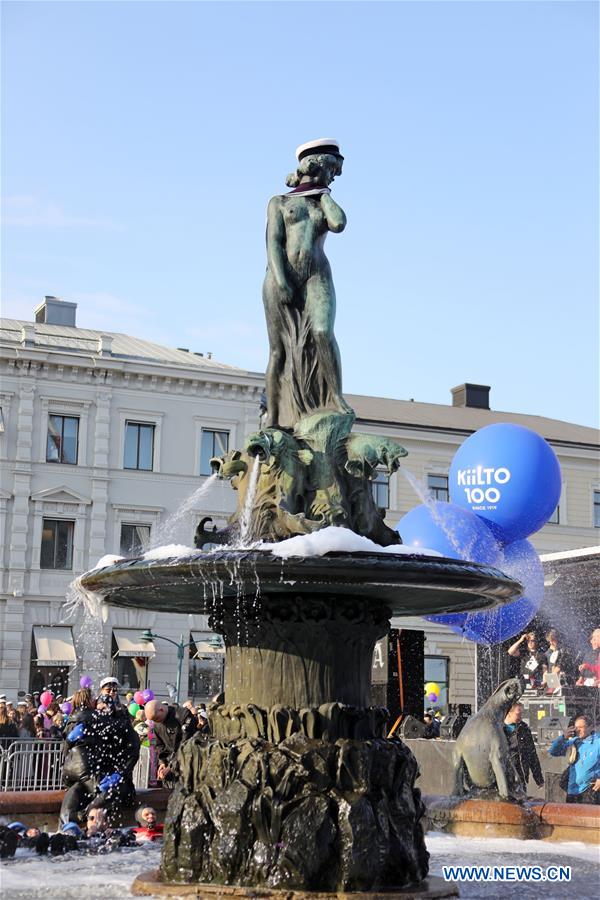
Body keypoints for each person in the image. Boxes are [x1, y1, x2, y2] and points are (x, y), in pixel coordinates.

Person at [262, 138, 351, 430]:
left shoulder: (322, 202)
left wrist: (324, 194)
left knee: (323, 332)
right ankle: (274, 418)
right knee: (278, 351)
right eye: (332, 171)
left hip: (316, 275)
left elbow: (338, 224)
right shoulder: (280, 202)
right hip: (281, 276)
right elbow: (273, 242)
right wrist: (280, 278)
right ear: (317, 166)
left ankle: (336, 398)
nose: (334, 177)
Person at [60, 691, 139, 825]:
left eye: (106, 707)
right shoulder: (94, 722)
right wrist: (69, 741)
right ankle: (65, 827)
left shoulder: (122, 724)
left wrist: (121, 772)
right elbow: (71, 744)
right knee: (75, 790)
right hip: (96, 774)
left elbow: (133, 751)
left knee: (114, 790)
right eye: (99, 708)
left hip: (117, 776)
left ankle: (83, 816)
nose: (103, 711)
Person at [548, 714, 600, 804]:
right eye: (576, 727)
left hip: (591, 790)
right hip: (573, 790)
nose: (577, 730)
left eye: (581, 727)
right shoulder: (574, 741)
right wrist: (563, 737)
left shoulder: (597, 742)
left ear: (591, 727)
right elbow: (553, 751)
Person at [144, 700, 196, 783]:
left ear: (161, 710)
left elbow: (186, 744)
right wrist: (162, 762)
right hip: (170, 763)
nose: (156, 722)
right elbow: (159, 745)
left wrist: (172, 766)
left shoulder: (183, 715)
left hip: (188, 763)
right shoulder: (155, 725)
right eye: (153, 720)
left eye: (156, 718)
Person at [503, 702, 544, 793]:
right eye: (518, 714)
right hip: (503, 776)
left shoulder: (524, 728)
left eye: (522, 713)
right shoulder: (500, 728)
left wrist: (539, 779)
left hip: (520, 777)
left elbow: (532, 754)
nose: (521, 716)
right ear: (509, 713)